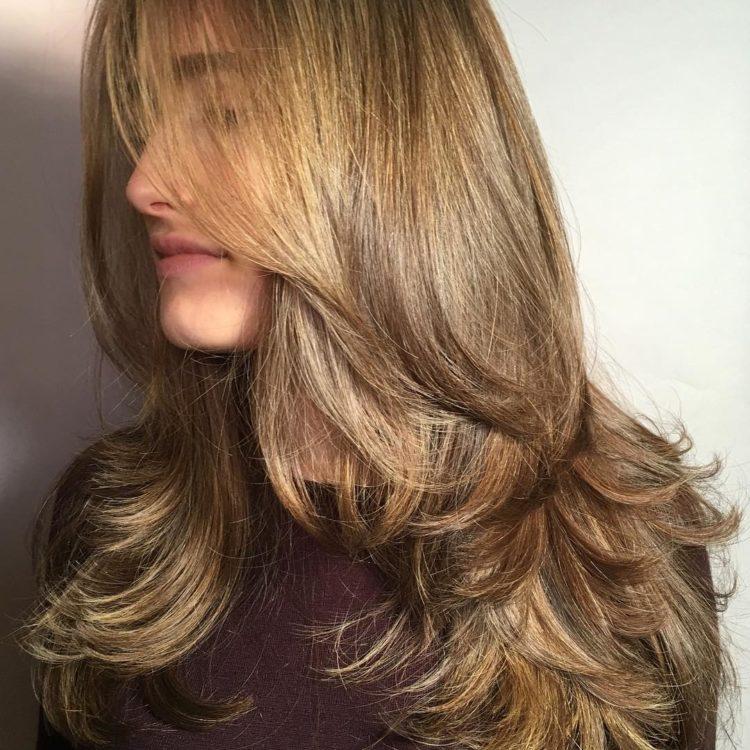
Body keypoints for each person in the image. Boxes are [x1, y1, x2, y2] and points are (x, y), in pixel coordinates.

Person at [18, 1, 740, 748]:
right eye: (149, 120)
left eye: (225, 113)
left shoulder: (618, 544)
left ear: (398, 150)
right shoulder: (118, 526)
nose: (144, 182)